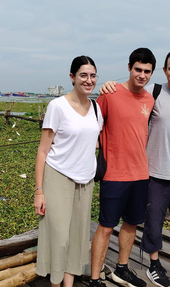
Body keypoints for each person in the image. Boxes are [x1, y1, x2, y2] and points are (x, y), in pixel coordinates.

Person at [100, 50, 170, 287]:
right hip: (154, 171)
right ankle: (154, 265)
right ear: (164, 71)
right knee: (153, 222)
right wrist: (108, 84)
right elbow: (129, 90)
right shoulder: (154, 91)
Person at [89, 47, 156, 287]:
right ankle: (95, 279)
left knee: (131, 223)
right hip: (114, 173)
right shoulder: (110, 92)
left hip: (140, 173)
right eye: (138, 69)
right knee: (106, 226)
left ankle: (122, 268)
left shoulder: (150, 99)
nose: (142, 75)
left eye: (147, 71)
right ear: (129, 68)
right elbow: (92, 126)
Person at [34, 56, 103, 287]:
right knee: (60, 238)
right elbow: (43, 151)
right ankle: (55, 283)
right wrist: (39, 191)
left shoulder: (95, 108)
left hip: (86, 180)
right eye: (83, 75)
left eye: (93, 76)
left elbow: (92, 140)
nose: (88, 80)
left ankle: (69, 284)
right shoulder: (58, 106)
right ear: (72, 77)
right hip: (58, 177)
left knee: (77, 237)